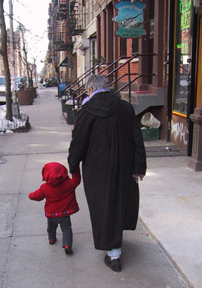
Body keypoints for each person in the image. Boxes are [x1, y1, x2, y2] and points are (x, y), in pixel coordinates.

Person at [68, 74, 146, 271]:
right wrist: (139, 167)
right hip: (124, 167)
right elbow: (138, 138)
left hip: (97, 171)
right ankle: (115, 242)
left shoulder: (86, 112)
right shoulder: (126, 108)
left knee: (104, 207)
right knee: (119, 203)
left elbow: (78, 142)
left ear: (90, 90)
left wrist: (73, 164)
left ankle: (114, 255)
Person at [28, 162, 81, 255]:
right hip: (65, 214)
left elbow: (37, 196)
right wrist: (74, 167)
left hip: (51, 215)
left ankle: (52, 239)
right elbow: (77, 179)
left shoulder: (45, 187)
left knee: (51, 228)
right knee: (67, 229)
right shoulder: (69, 184)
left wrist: (30, 195)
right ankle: (67, 245)